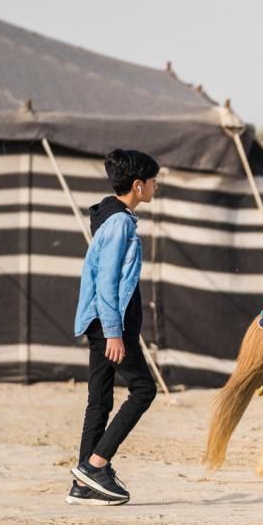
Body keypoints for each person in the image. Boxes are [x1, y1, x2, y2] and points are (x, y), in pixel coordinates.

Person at [67, 149, 160, 505]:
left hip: (101, 322)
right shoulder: (120, 223)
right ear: (138, 186)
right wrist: (114, 332)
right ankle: (95, 465)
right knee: (143, 390)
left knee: (100, 400)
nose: (156, 186)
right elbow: (106, 282)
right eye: (153, 181)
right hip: (108, 325)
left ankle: (82, 484)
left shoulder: (112, 216)